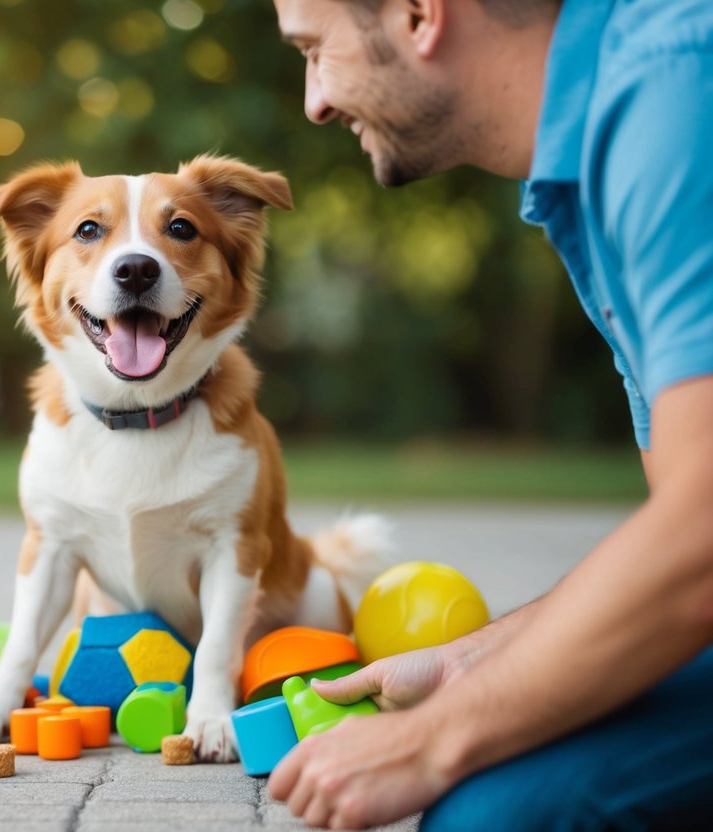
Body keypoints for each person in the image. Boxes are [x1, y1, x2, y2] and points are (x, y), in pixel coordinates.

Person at [268, 0, 713, 829]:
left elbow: (702, 542)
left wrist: (433, 741)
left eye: (313, 50)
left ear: (416, 14)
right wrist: (470, 662)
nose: (313, 101)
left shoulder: (674, 93)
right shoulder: (585, 171)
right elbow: (682, 533)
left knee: (491, 812)